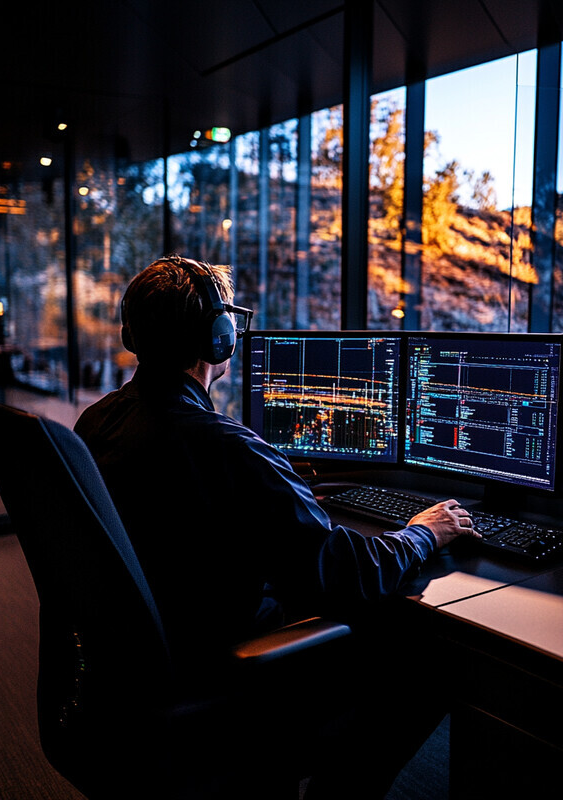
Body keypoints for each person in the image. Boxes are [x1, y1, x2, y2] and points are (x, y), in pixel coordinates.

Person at [74, 253, 480, 798]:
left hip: (129, 671)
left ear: (132, 334)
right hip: (217, 665)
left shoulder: (96, 421)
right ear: (218, 339)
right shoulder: (225, 447)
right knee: (426, 654)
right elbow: (348, 571)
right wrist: (423, 532)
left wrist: (275, 497)